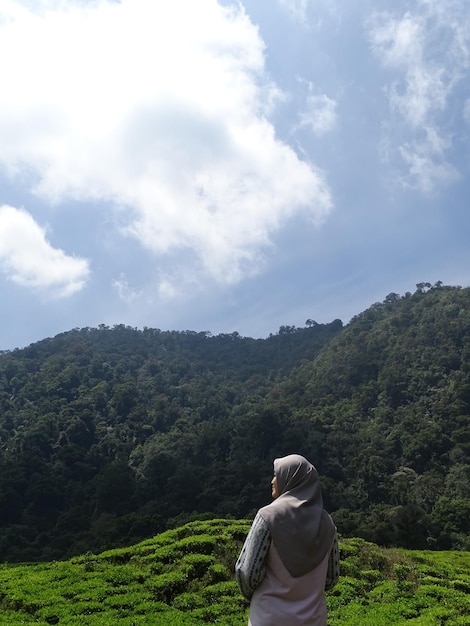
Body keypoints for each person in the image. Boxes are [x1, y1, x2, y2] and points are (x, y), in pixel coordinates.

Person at [235, 454, 339, 626]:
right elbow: (332, 578)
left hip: (269, 618)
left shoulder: (267, 516)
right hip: (314, 620)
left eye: (276, 475)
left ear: (290, 479)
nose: (272, 480)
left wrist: (259, 597)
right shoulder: (327, 522)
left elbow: (247, 572)